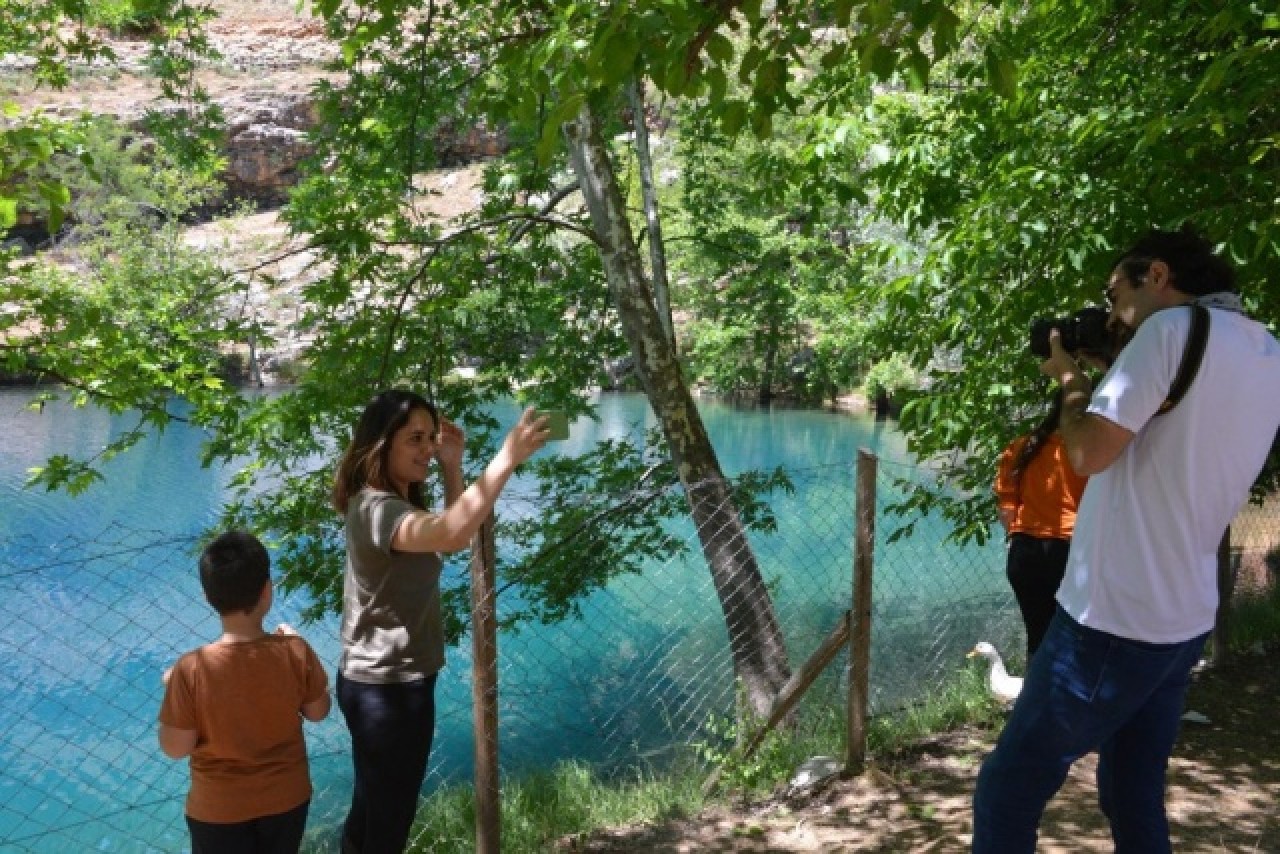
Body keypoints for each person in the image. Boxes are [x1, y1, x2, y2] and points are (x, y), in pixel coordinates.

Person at [972, 225, 1280, 853]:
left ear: (1157, 276)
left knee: (1006, 790)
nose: (1112, 314)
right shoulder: (1264, 349)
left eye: (1116, 294)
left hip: (1111, 618)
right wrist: (1115, 371)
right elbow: (1180, 434)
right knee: (1132, 792)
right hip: (1184, 617)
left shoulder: (1169, 333)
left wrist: (1068, 379)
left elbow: (1086, 452)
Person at [332, 390, 549, 854]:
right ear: (380, 444)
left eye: (431, 436)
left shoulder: (394, 504)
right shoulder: (378, 509)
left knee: (372, 811)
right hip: (385, 689)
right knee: (389, 821)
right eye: (415, 438)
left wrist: (453, 466)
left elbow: (455, 527)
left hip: (386, 683)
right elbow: (451, 533)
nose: (427, 447)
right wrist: (506, 459)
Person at [158, 531, 332, 854]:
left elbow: (175, 748)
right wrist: (297, 645)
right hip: (287, 800)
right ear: (268, 592)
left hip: (218, 810)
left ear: (208, 597)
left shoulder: (191, 670)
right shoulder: (293, 650)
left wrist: (178, 691)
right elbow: (319, 712)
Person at [994, 388, 1088, 660]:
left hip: (1024, 555)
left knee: (1038, 638)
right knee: (1074, 640)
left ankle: (1036, 699)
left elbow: (1007, 509)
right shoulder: (1089, 455)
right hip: (1069, 553)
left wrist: (1018, 535)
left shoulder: (1022, 446)